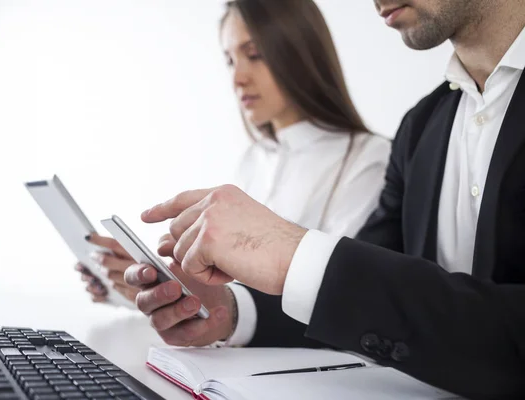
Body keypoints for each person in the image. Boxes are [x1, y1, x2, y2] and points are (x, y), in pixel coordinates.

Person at [125, 0, 525, 398]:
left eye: (256, 54)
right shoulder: (421, 129)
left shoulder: (370, 153)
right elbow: (361, 296)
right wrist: (230, 310)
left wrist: (289, 252)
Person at [77, 0, 391, 307]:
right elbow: (230, 296)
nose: (238, 78)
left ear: (302, 54)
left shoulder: (369, 159)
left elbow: (338, 291)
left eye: (254, 55)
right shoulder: (255, 160)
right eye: (230, 60)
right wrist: (142, 287)